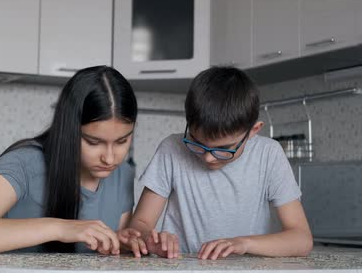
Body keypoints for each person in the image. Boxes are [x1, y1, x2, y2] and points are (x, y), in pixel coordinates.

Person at [0, 66, 139, 255]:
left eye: (122, 141)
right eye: (93, 142)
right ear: (68, 130)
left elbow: (113, 255)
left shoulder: (123, 174)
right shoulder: (24, 164)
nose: (110, 158)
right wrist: (60, 228)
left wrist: (127, 242)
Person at [119, 66, 313, 259]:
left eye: (224, 149)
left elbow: (301, 239)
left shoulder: (269, 154)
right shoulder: (171, 148)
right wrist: (151, 241)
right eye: (196, 142)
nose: (208, 158)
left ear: (253, 131)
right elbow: (140, 224)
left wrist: (243, 243)